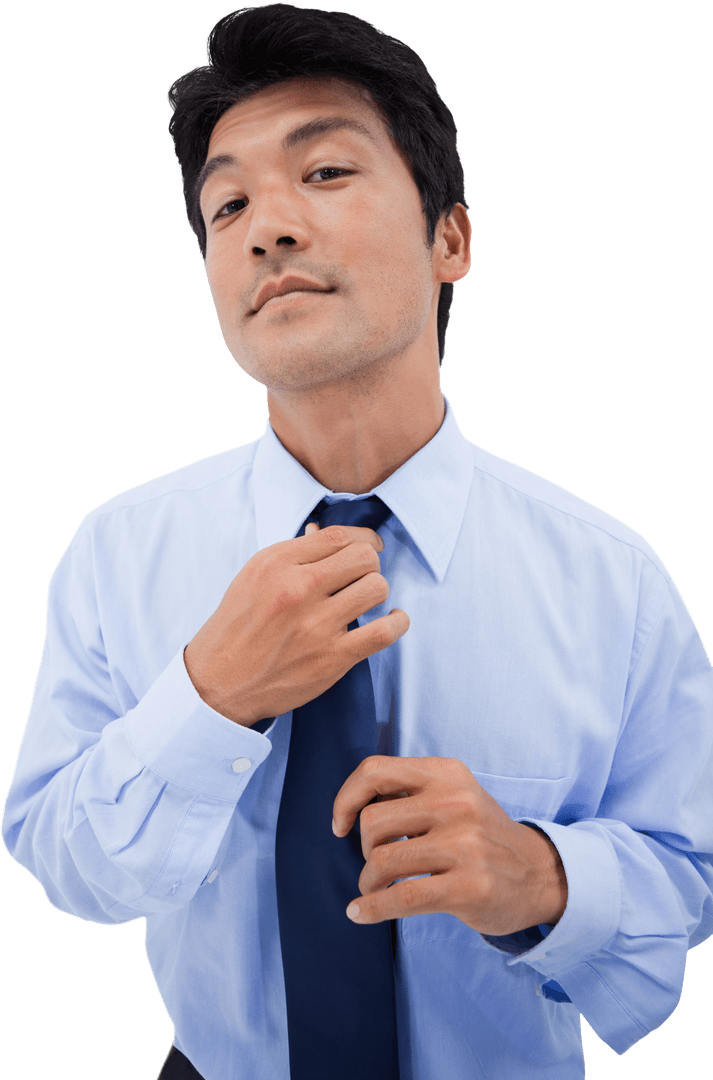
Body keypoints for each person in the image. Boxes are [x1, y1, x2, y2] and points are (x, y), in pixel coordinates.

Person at [2, 4, 712, 1078]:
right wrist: (208, 698)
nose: (266, 227)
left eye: (325, 172)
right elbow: (67, 865)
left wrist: (539, 878)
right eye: (227, 201)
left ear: (450, 239)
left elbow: (690, 867)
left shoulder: (607, 575)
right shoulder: (118, 550)